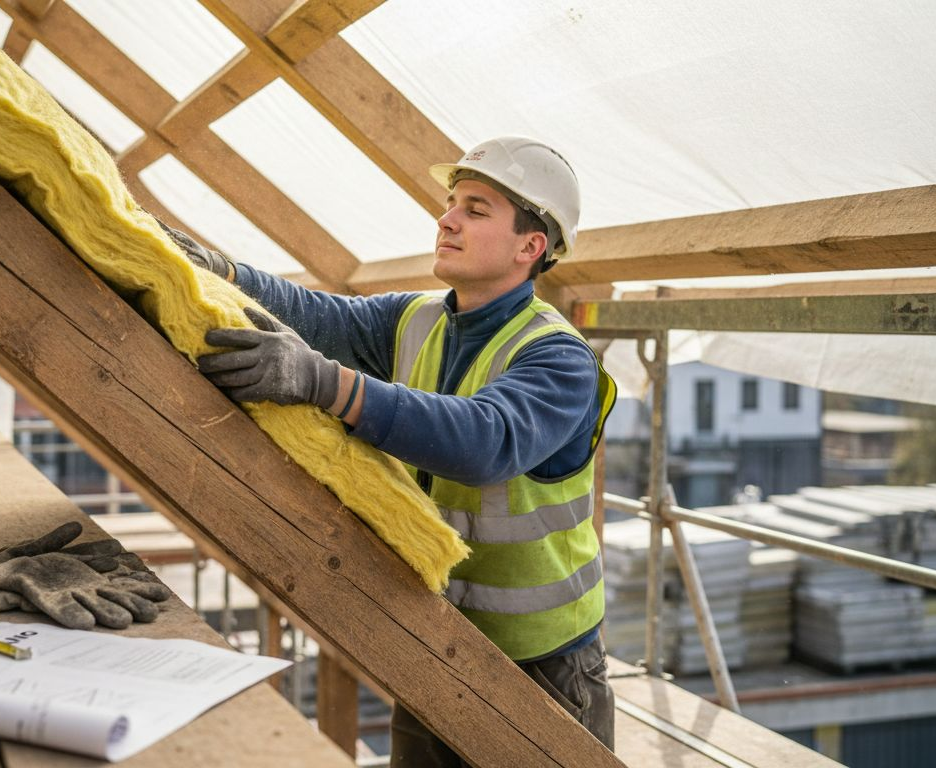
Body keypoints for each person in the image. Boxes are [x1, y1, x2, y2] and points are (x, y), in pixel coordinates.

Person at [164, 136, 617, 762]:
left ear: (530, 246)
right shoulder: (418, 318)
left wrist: (325, 383)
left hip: (541, 666)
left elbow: (485, 440)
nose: (447, 218)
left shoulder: (558, 357)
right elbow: (316, 315)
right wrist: (221, 271)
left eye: (476, 209)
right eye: (452, 202)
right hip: (437, 641)